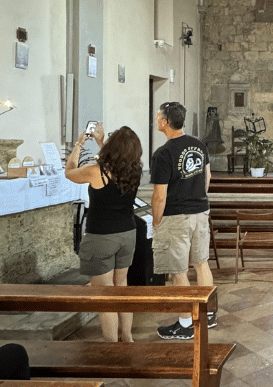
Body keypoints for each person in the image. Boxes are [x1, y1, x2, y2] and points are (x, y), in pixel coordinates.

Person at [65, 123, 142, 342]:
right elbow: (115, 159)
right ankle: (127, 338)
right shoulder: (135, 169)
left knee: (105, 295)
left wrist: (80, 143)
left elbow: (69, 172)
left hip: (101, 236)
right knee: (121, 288)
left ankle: (111, 347)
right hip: (127, 233)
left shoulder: (96, 171)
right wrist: (101, 141)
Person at [151, 101, 215, 339]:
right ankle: (207, 314)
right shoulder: (198, 144)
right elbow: (207, 176)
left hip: (176, 216)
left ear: (165, 122)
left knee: (178, 271)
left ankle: (186, 324)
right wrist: (197, 197)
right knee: (201, 263)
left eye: (158, 116)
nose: (156, 119)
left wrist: (157, 221)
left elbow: (160, 194)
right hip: (200, 210)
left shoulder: (164, 153)